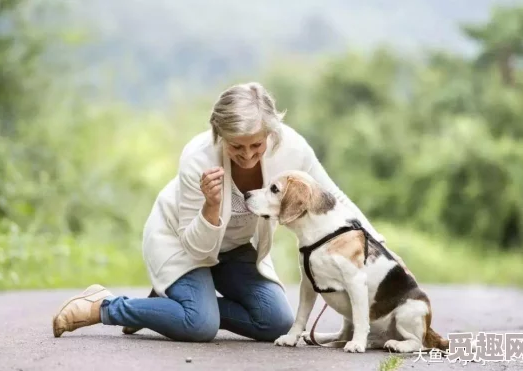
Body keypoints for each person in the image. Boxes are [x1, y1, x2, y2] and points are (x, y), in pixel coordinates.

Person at [52, 82, 409, 342]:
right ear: (218, 132)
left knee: (275, 323)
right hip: (180, 242)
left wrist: (377, 245)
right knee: (199, 326)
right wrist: (210, 207)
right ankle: (106, 306)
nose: (249, 154)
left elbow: (334, 198)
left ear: (270, 132)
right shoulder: (197, 158)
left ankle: (168, 310)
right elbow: (197, 249)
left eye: (257, 144)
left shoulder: (291, 147)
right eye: (237, 146)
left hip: (234, 249)